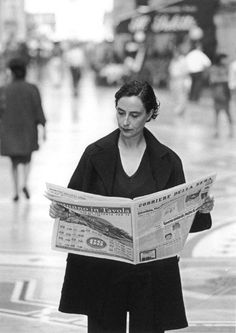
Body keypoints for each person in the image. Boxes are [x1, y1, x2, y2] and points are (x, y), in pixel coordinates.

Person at [49, 80, 214, 333]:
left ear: (149, 114)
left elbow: (185, 223)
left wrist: (200, 208)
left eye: (134, 115)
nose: (125, 122)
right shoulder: (95, 154)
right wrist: (61, 212)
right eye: (121, 112)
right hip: (103, 271)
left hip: (150, 274)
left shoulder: (168, 160)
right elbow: (73, 202)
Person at [0, 58, 46, 201]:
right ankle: (24, 183)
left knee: (13, 162)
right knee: (27, 158)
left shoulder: (4, 90)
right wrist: (44, 127)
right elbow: (38, 109)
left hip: (10, 130)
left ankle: (15, 191)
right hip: (28, 129)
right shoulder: (32, 88)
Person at [209, 53, 233, 138]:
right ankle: (216, 131)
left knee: (228, 113)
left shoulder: (226, 68)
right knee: (217, 113)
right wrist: (224, 79)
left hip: (225, 94)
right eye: (224, 59)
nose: (226, 61)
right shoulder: (214, 68)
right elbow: (213, 79)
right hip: (218, 94)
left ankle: (231, 130)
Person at [168, 47, 190, 116]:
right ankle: (177, 109)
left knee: (181, 96)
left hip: (181, 80)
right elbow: (170, 70)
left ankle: (180, 110)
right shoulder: (173, 60)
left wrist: (185, 82)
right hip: (173, 80)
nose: (175, 55)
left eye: (176, 53)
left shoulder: (183, 60)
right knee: (174, 95)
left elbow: (186, 72)